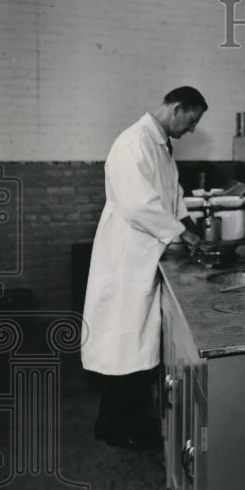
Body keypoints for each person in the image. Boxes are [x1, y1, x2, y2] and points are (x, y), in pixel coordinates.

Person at [82, 86, 206, 449]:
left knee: (133, 349)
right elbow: (140, 205)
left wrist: (190, 229)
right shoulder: (134, 142)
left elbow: (173, 195)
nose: (193, 129)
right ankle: (116, 427)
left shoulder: (162, 146)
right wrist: (180, 233)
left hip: (144, 256)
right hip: (125, 260)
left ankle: (120, 422)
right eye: (193, 120)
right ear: (177, 108)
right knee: (123, 348)